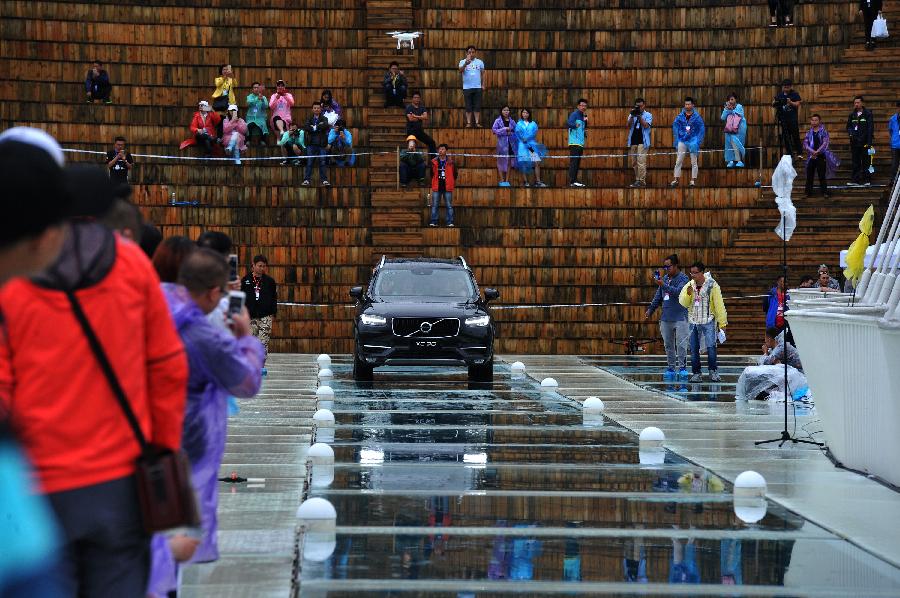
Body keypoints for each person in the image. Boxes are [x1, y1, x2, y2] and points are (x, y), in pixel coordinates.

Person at [1, 163, 189, 597]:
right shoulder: (132, 267)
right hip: (121, 481)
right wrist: (159, 449)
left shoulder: (17, 272)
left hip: (36, 487)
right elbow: (166, 368)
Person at [148, 249, 264, 598]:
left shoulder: (153, 311)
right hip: (191, 437)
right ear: (214, 293)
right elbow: (245, 382)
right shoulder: (200, 333)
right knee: (180, 536)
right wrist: (245, 339)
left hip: (146, 435)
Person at [678, 261, 727, 382]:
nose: (693, 275)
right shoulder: (689, 285)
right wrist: (688, 294)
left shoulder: (712, 285)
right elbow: (683, 302)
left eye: (695, 273)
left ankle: (713, 371)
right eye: (691, 273)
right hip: (694, 321)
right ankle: (696, 373)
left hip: (708, 320)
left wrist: (722, 323)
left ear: (702, 272)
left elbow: (719, 304)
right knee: (694, 349)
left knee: (711, 347)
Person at [645, 254, 690, 381]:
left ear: (675, 265)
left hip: (680, 317)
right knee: (668, 345)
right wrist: (651, 309)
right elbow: (658, 296)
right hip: (666, 317)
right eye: (665, 267)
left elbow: (678, 292)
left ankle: (682, 368)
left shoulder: (684, 278)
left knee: (681, 344)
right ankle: (671, 368)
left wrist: (662, 284)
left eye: (668, 266)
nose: (666, 269)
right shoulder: (664, 278)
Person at [241, 255, 277, 363]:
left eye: (264, 266)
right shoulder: (246, 280)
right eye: (259, 266)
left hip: (265, 315)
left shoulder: (270, 282)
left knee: (263, 341)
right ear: (254, 266)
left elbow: (274, 298)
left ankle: (261, 364)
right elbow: (241, 297)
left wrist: (273, 313)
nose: (262, 268)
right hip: (250, 315)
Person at [670, 97, 705, 188]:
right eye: (686, 104)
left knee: (694, 161)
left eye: (689, 104)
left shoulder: (697, 117)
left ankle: (693, 180)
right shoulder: (680, 116)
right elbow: (675, 126)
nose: (687, 106)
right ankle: (676, 179)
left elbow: (701, 129)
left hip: (693, 141)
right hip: (682, 140)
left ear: (693, 105)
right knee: (679, 160)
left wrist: (697, 140)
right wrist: (678, 137)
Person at [803, 114, 838, 198]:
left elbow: (825, 143)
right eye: (812, 120)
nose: (814, 122)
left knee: (821, 175)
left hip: (821, 155)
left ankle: (824, 192)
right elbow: (805, 144)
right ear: (810, 121)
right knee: (809, 175)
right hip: (811, 156)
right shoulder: (808, 132)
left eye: (816, 120)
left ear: (819, 121)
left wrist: (817, 152)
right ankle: (808, 192)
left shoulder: (823, 131)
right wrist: (812, 152)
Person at [846, 95, 875, 187]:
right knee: (855, 162)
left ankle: (867, 180)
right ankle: (855, 180)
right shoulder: (852, 115)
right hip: (854, 143)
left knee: (866, 161)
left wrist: (869, 142)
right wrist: (851, 133)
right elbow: (848, 127)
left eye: (858, 102)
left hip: (865, 142)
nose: (856, 104)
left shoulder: (868, 114)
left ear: (862, 103)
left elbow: (870, 128)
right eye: (855, 103)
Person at [515, 108, 547, 187]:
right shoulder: (518, 123)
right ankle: (526, 182)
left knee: (536, 161)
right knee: (523, 162)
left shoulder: (533, 123)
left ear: (529, 114)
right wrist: (523, 139)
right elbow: (517, 133)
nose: (525, 114)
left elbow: (534, 133)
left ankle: (538, 181)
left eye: (526, 113)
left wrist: (527, 138)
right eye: (523, 112)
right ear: (521, 114)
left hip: (531, 145)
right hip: (522, 145)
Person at [302, 102, 330, 186]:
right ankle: (306, 179)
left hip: (321, 144)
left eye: (318, 108)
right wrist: (318, 127)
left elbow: (325, 126)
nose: (316, 109)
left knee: (322, 162)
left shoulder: (324, 118)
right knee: (309, 162)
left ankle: (324, 180)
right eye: (315, 108)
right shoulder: (309, 118)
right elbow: (306, 127)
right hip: (311, 144)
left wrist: (314, 127)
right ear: (312, 109)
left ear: (320, 109)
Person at [627, 98, 652, 187]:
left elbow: (646, 125)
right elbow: (628, 125)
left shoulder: (648, 115)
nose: (639, 108)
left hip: (643, 141)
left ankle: (642, 181)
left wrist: (639, 116)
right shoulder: (632, 114)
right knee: (634, 162)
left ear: (644, 105)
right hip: (633, 141)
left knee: (641, 161)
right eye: (637, 106)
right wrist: (632, 116)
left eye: (641, 106)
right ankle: (637, 179)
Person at [773, 79, 802, 158]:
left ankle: (799, 152)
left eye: (788, 87)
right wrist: (776, 102)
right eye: (785, 87)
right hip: (783, 119)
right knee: (786, 137)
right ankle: (790, 153)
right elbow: (773, 103)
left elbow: (798, 104)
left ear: (791, 87)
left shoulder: (794, 94)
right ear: (782, 87)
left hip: (792, 119)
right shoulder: (780, 95)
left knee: (795, 135)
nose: (786, 89)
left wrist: (790, 102)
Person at [458, 46, 485, 128]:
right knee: (468, 105)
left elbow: (483, 73)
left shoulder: (480, 62)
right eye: (469, 52)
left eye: (473, 52)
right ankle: (469, 123)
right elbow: (460, 71)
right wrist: (466, 63)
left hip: (477, 86)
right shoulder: (462, 61)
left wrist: (483, 84)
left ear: (475, 53)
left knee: (477, 105)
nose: (471, 53)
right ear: (467, 53)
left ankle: (477, 122)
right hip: (467, 87)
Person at [430, 144, 456, 227]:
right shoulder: (434, 161)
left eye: (442, 149)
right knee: (435, 205)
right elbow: (431, 173)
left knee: (449, 205)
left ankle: (450, 222)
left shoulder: (451, 162)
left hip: (447, 186)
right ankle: (434, 221)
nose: (440, 150)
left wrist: (450, 180)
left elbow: (455, 174)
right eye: (439, 149)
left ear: (446, 151)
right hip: (437, 185)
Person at [491, 106, 518, 186]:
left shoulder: (512, 121)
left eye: (507, 110)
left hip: (511, 143)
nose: (506, 111)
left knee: (509, 161)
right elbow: (494, 130)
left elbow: (516, 130)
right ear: (501, 111)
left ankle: (507, 181)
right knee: (500, 161)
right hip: (502, 144)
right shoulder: (498, 120)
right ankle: (502, 180)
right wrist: (504, 129)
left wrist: (511, 132)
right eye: (504, 110)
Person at [406, 92, 437, 158]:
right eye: (415, 97)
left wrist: (415, 116)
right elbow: (411, 119)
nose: (417, 99)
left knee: (432, 142)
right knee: (411, 147)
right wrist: (420, 117)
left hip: (419, 131)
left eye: (418, 98)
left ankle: (434, 161)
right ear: (412, 99)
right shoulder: (409, 107)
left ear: (420, 99)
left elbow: (425, 117)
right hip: (411, 131)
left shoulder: (422, 107)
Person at [721, 93, 747, 168]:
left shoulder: (739, 106)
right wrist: (726, 110)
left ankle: (739, 160)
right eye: (729, 100)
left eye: (732, 99)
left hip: (739, 129)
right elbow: (722, 117)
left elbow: (740, 115)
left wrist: (731, 110)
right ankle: (731, 160)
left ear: (735, 99)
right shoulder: (727, 107)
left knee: (736, 142)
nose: (730, 101)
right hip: (729, 128)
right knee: (729, 143)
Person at [567, 98, 588, 187]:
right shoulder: (574, 114)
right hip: (574, 142)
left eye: (585, 106)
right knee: (574, 162)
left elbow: (582, 129)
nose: (583, 107)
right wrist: (574, 125)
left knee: (577, 162)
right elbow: (568, 123)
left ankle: (575, 180)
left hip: (580, 142)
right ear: (578, 106)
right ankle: (572, 181)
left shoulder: (583, 116)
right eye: (582, 105)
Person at [245, 82, 269, 147]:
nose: (256, 89)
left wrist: (262, 100)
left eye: (257, 87)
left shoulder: (263, 97)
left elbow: (266, 106)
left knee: (263, 124)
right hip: (251, 118)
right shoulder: (249, 97)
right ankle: (248, 140)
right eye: (254, 88)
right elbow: (249, 103)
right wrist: (257, 98)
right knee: (249, 125)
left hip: (260, 117)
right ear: (252, 89)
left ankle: (262, 141)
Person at [890, 101, 900, 184]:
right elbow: (890, 130)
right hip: (895, 144)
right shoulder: (893, 119)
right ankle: (893, 180)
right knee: (894, 163)